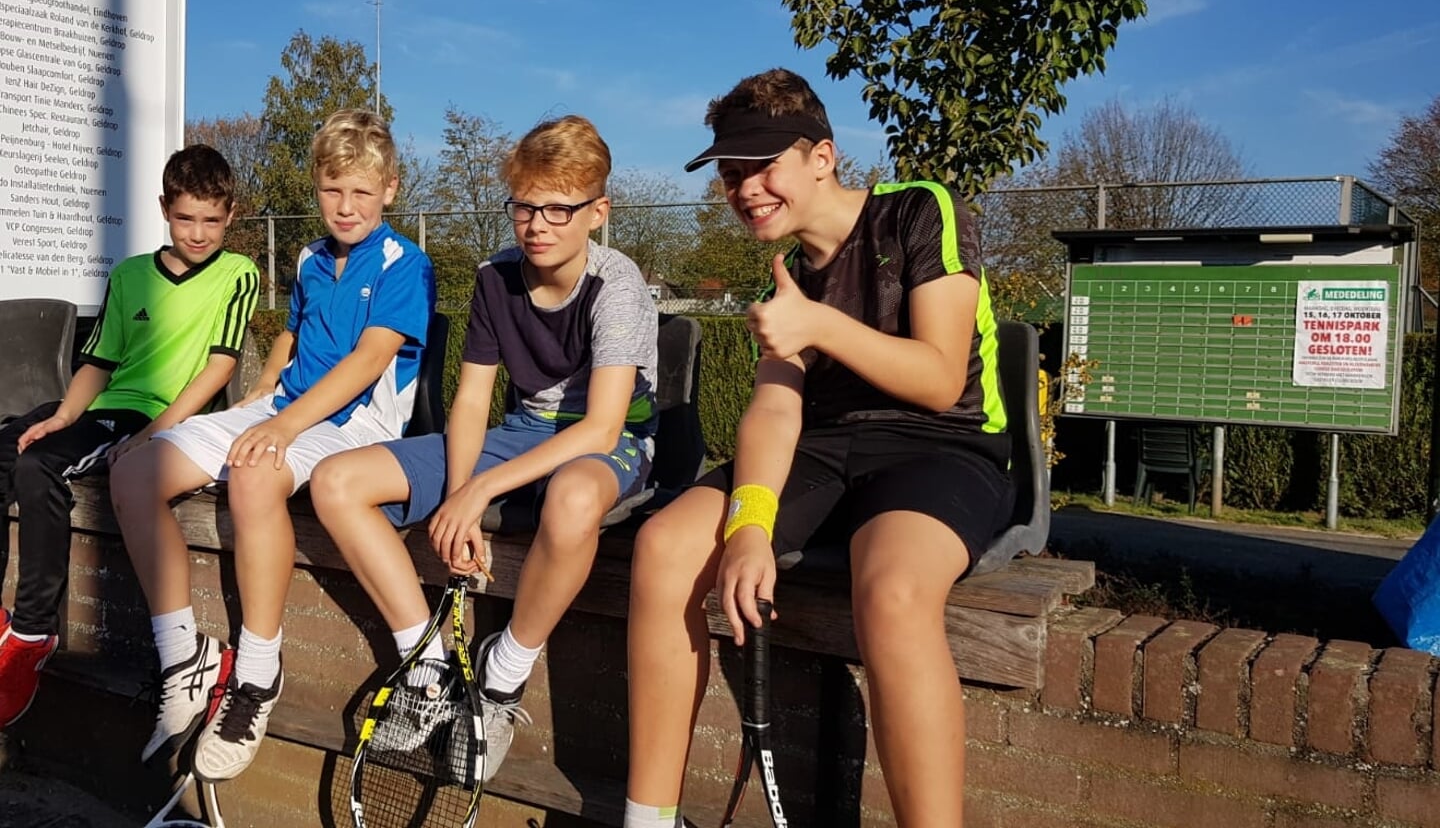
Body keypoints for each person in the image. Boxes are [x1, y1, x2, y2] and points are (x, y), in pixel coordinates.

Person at [624, 69, 1015, 828]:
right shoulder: (784, 289)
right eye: (732, 175)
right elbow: (773, 413)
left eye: (761, 167)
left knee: (894, 593)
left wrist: (820, 327)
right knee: (665, 545)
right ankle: (648, 818)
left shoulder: (919, 211)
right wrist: (750, 525)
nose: (745, 189)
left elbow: (939, 379)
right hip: (823, 455)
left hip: (943, 450)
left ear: (822, 157)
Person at [310, 114, 657, 782]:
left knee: (574, 496)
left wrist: (478, 492)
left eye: (560, 208)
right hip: (523, 434)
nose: (538, 224)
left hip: (611, 440)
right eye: (525, 206)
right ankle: (429, 668)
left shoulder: (619, 286)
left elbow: (601, 430)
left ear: (598, 212)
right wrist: (455, 499)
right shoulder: (495, 275)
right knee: (335, 482)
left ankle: (501, 679)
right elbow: (471, 400)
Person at [111, 109, 436, 781]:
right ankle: (184, 658)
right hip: (288, 409)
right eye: (331, 189)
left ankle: (257, 675)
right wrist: (263, 395)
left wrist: (280, 429)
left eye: (361, 192)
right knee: (137, 471)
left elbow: (370, 360)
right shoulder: (311, 257)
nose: (345, 207)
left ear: (391, 190)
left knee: (256, 474)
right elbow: (293, 334)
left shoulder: (409, 263)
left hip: (354, 428)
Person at [0, 144, 258, 730]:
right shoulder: (130, 274)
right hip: (104, 407)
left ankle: (34, 632)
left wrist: (155, 433)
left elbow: (218, 367)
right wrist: (63, 415)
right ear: (164, 208)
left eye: (212, 220)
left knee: (39, 466)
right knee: (8, 445)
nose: (198, 232)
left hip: (156, 419)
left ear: (232, 215)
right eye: (186, 217)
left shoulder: (238, 273)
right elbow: (99, 362)